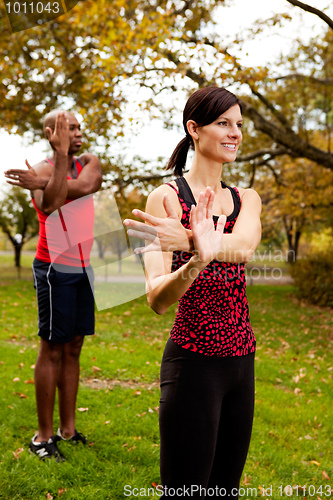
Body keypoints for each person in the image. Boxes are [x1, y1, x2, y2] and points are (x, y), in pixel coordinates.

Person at [123, 87, 261, 499]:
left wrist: (186, 239)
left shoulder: (246, 199)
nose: (234, 133)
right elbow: (157, 299)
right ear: (194, 129)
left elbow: (245, 247)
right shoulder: (164, 198)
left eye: (238, 124)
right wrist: (197, 259)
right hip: (193, 364)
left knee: (225, 491)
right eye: (223, 123)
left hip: (242, 362)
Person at [5, 110, 102, 462]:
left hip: (83, 266)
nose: (77, 133)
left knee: (74, 346)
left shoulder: (89, 161)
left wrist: (46, 182)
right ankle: (42, 437)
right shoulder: (46, 167)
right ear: (51, 133)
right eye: (69, 128)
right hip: (53, 268)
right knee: (53, 349)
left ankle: (68, 430)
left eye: (78, 127)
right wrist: (57, 163)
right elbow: (53, 204)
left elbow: (88, 186)